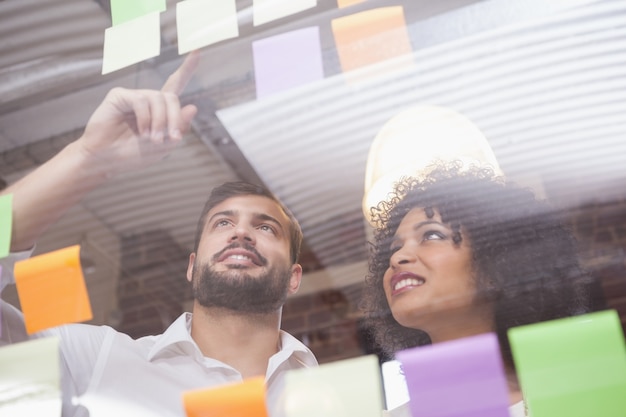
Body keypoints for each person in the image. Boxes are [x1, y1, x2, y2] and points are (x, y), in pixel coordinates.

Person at [0, 52, 317, 416]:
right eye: (223, 223)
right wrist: (87, 158)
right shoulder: (93, 362)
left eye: (265, 227)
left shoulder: (334, 400)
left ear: (294, 278)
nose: (241, 232)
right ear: (192, 266)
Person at [361, 162, 594, 417]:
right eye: (394, 248)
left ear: (497, 264)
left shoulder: (584, 404)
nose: (398, 258)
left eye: (432, 235)